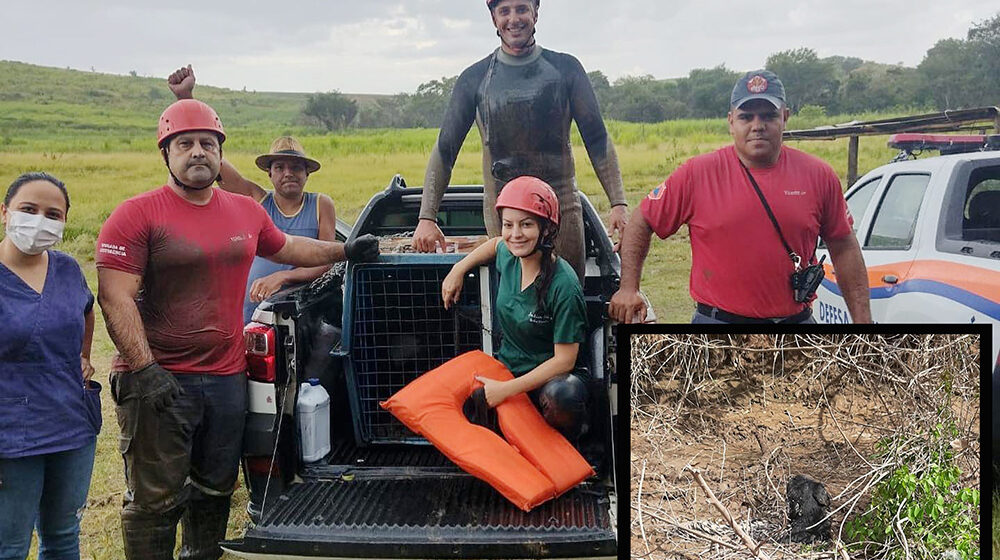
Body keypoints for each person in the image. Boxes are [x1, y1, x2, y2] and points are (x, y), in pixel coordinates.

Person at [95, 98, 378, 559]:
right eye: (184, 143)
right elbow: (115, 295)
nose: (198, 152)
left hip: (227, 378)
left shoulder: (244, 212)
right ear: (165, 152)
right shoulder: (137, 214)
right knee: (155, 500)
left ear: (221, 153)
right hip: (158, 379)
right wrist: (145, 369)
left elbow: (289, 247)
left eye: (208, 143)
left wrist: (344, 252)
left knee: (215, 487)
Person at [609, 70, 872, 324]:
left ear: (785, 117)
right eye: (747, 117)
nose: (758, 126)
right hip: (717, 326)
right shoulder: (697, 174)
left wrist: (863, 323)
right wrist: (629, 289)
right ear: (731, 122)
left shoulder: (819, 175)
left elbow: (844, 246)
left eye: (768, 116)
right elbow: (643, 219)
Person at [413, 0, 629, 281]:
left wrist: (619, 203)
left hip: (561, 205)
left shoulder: (566, 69)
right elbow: (445, 149)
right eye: (504, 11)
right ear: (493, 19)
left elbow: (597, 139)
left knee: (565, 291)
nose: (514, 19)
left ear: (535, 13)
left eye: (521, 9)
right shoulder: (474, 79)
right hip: (504, 211)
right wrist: (426, 218)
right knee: (516, 300)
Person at [167, 65, 338, 323]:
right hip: (252, 307)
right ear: (269, 174)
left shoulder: (320, 205)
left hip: (300, 313)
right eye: (279, 167)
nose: (288, 173)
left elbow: (326, 261)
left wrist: (282, 277)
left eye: (296, 167)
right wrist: (186, 99)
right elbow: (217, 164)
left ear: (307, 173)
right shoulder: (259, 200)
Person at [0, 172, 100, 560]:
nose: (40, 220)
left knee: (63, 536)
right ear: (5, 212)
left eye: (52, 214)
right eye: (29, 209)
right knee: (10, 544)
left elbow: (86, 309)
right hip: (11, 435)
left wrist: (85, 355)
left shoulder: (67, 268)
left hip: (71, 423)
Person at [442, 176, 589, 439]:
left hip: (546, 381)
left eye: (527, 224)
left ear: (546, 228)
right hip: (507, 370)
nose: (515, 234)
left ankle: (571, 449)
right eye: (508, 225)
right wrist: (459, 268)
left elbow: (564, 361)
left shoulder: (564, 284)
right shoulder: (508, 256)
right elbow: (496, 243)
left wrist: (506, 390)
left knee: (562, 397)